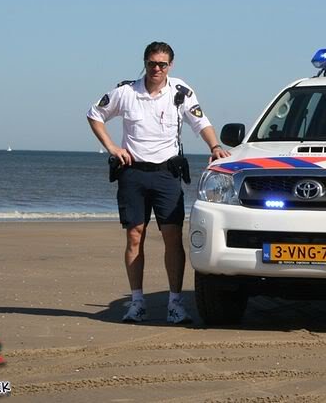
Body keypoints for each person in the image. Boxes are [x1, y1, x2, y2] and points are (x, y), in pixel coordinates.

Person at [87, 41, 231, 324]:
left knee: (172, 238)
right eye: (152, 63)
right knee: (134, 237)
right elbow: (95, 115)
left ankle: (175, 304)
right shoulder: (126, 92)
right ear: (145, 62)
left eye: (162, 64)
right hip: (133, 174)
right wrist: (113, 148)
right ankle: (137, 303)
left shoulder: (180, 92)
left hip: (167, 174)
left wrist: (214, 146)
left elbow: (201, 122)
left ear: (170, 66)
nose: (156, 69)